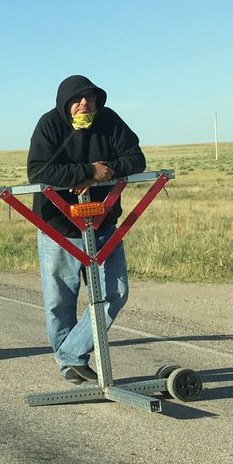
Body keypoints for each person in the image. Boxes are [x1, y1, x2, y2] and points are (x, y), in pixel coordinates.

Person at [27, 75, 146, 385]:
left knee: (115, 293)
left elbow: (137, 159)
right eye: (78, 99)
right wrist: (87, 171)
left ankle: (70, 353)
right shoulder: (50, 125)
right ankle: (71, 368)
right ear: (65, 102)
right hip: (59, 229)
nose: (85, 103)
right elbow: (37, 170)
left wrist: (106, 169)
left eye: (91, 98)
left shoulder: (109, 121)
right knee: (59, 301)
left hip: (103, 225)